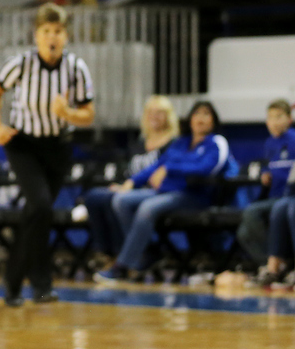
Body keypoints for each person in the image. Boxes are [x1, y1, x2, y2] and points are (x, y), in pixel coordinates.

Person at [0, 3, 95, 306]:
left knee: (35, 215)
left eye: (58, 32)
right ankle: (39, 283)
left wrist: (68, 113)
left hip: (57, 146)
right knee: (42, 207)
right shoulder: (20, 63)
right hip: (23, 144)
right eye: (46, 31)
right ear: (36, 35)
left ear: (66, 36)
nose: (52, 37)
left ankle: (16, 283)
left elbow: (89, 114)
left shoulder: (76, 68)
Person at [96, 101, 235, 283]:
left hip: (194, 196)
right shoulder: (181, 142)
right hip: (166, 193)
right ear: (190, 119)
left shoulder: (216, 143)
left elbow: (206, 168)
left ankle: (122, 266)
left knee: (147, 207)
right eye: (197, 114)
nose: (200, 118)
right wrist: (132, 181)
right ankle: (149, 251)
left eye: (206, 114)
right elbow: (156, 166)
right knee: (120, 200)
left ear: (214, 120)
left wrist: (171, 169)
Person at [82, 96, 180, 267]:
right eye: (150, 112)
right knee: (94, 196)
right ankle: (105, 251)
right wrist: (122, 184)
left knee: (115, 200)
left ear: (168, 116)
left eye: (160, 113)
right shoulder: (139, 143)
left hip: (154, 191)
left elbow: (160, 171)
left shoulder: (174, 143)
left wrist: (129, 185)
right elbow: (128, 170)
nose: (154, 116)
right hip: (132, 187)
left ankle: (132, 252)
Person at [241, 100, 295, 287]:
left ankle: (279, 264)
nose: (275, 122)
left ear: (290, 119)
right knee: (243, 232)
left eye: (279, 117)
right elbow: (269, 165)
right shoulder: (270, 143)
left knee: (255, 212)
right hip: (275, 197)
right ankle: (274, 265)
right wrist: (265, 173)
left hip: (288, 196)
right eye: (271, 117)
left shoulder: (293, 140)